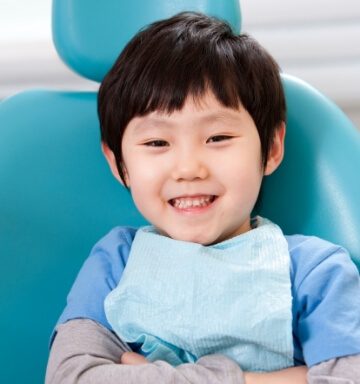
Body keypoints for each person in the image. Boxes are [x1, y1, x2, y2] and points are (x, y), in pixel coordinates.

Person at [45, 12, 360, 384]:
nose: (189, 168)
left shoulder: (315, 271)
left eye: (218, 138)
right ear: (119, 164)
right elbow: (72, 376)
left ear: (272, 147)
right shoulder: (115, 263)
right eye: (157, 142)